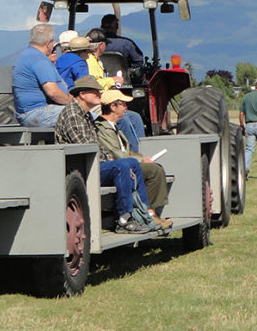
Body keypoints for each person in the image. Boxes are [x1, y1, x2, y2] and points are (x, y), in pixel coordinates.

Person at [54, 75, 153, 234]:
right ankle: (124, 219)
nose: (99, 95)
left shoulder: (85, 115)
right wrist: (109, 158)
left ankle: (146, 213)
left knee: (132, 163)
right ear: (82, 94)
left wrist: (108, 157)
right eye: (94, 92)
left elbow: (97, 145)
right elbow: (86, 149)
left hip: (91, 165)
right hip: (79, 169)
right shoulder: (73, 115)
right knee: (122, 166)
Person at [95, 87, 172, 230]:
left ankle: (149, 213)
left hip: (123, 163)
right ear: (113, 106)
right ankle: (148, 214)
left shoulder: (113, 127)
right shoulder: (102, 128)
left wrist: (141, 157)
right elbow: (116, 153)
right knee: (154, 171)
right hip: (115, 166)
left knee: (156, 168)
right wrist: (141, 160)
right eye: (123, 104)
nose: (126, 107)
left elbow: (125, 151)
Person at [85, 27, 145, 150]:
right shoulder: (89, 61)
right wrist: (113, 80)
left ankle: (141, 150)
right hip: (100, 101)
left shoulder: (97, 61)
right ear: (101, 45)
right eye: (105, 45)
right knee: (124, 119)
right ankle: (132, 153)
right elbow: (94, 83)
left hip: (105, 97)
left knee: (135, 118)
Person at [11, 24, 71, 127]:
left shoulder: (28, 55)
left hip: (32, 112)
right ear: (48, 43)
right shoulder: (39, 59)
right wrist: (73, 105)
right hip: (37, 113)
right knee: (82, 115)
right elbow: (52, 92)